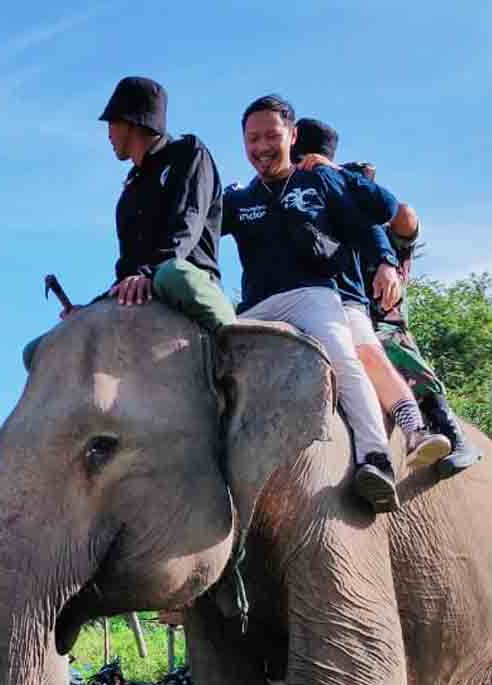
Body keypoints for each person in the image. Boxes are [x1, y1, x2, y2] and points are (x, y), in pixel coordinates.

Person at [222, 95, 404, 511]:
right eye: (252, 138)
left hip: (313, 295)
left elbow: (382, 209)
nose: (262, 147)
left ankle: (375, 457)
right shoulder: (239, 199)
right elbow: (197, 227)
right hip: (258, 307)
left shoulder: (317, 181)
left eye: (272, 135)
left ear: (293, 135)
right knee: (211, 361)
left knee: (344, 357)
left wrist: (335, 171)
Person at [292, 122, 480, 476]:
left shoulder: (372, 217)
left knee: (388, 347)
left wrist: (341, 177)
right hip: (332, 310)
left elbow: (405, 218)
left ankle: (447, 428)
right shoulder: (321, 219)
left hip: (380, 320)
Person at [93, 76, 235, 333]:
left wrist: (149, 272)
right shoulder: (130, 187)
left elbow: (186, 226)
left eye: (112, 123)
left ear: (131, 122)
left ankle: (237, 342)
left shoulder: (188, 152)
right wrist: (92, 307)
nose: (108, 133)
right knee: (38, 348)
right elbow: (127, 265)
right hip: (142, 284)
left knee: (172, 273)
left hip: (184, 278)